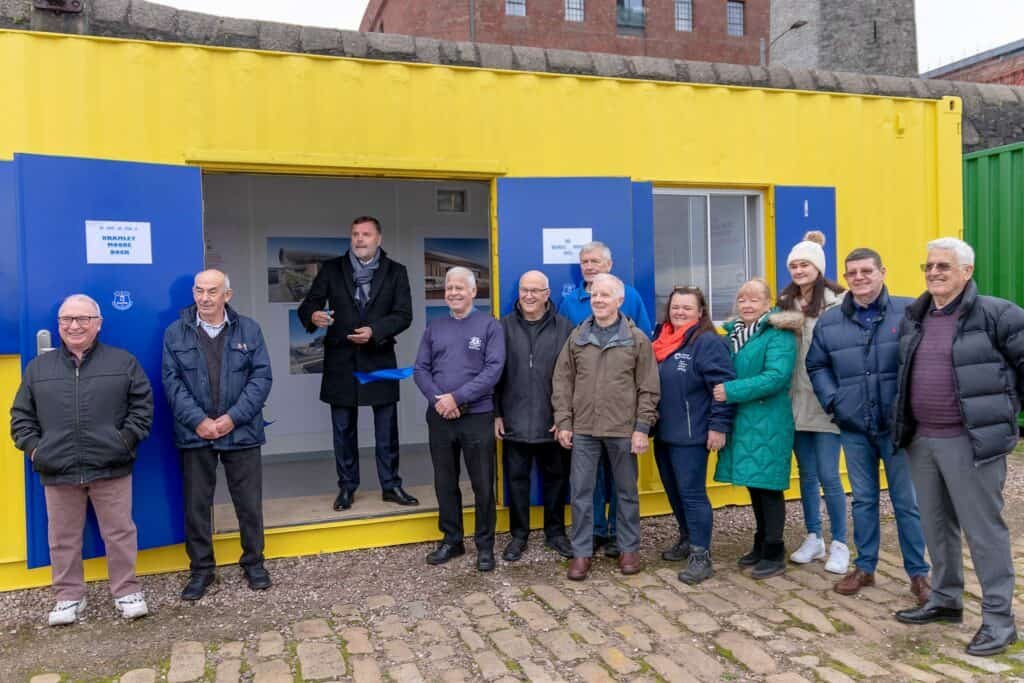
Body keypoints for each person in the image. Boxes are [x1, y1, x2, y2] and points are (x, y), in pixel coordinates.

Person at [890, 237, 1024, 657]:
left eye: (943, 267)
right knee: (935, 525)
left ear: (967, 271)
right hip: (922, 440)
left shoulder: (997, 314)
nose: (933, 273)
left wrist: (1008, 421)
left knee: (984, 533)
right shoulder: (917, 315)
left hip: (971, 444)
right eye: (928, 266)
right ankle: (946, 599)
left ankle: (1000, 621)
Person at [11, 294, 153, 625]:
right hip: (57, 468)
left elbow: (142, 407)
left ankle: (126, 590)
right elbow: (21, 416)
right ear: (59, 325)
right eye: (67, 320)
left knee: (119, 531)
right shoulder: (38, 368)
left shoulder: (122, 362)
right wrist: (37, 450)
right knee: (62, 537)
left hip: (111, 465)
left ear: (98, 323)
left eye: (83, 319)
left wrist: (124, 441)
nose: (74, 326)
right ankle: (68, 597)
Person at [806, 247, 931, 605]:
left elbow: (926, 360)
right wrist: (834, 401)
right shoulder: (831, 321)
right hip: (854, 425)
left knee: (907, 503)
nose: (859, 278)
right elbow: (817, 366)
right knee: (863, 500)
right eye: (852, 273)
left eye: (866, 271)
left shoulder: (909, 312)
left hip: (898, 428)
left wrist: (913, 405)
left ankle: (918, 573)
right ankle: (865, 566)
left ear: (882, 272)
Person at [163, 270, 273, 600]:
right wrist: (199, 421)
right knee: (196, 505)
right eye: (199, 291)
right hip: (195, 433)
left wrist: (231, 419)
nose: (204, 297)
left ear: (227, 295)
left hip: (241, 432)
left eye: (212, 291)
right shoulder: (176, 332)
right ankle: (201, 570)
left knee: (249, 504)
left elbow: (261, 379)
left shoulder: (249, 329)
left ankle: (254, 563)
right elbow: (172, 382)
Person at [298, 215, 416, 512]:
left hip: (379, 357)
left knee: (387, 428)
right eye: (355, 234)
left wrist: (375, 331)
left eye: (365, 234)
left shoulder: (396, 272)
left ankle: (391, 486)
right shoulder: (332, 269)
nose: (359, 239)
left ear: (379, 239)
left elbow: (404, 315)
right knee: (343, 429)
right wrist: (313, 316)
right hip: (341, 360)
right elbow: (309, 305)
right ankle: (347, 488)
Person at [552, 273, 660, 581]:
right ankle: (582, 552)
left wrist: (642, 427)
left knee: (626, 493)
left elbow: (648, 387)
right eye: (595, 295)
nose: (599, 300)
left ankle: (629, 548)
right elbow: (562, 381)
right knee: (582, 493)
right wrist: (564, 421)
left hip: (623, 429)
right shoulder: (577, 337)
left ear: (620, 300)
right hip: (584, 429)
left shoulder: (636, 339)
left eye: (606, 295)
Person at [414, 266, 505, 572]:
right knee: (445, 482)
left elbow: (493, 371)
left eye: (459, 288)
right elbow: (420, 370)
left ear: (473, 292)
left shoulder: (490, 326)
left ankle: (485, 546)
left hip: (477, 417)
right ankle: (452, 540)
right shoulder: (434, 327)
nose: (453, 293)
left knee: (482, 484)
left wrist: (458, 398)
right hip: (440, 416)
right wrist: (439, 400)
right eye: (449, 288)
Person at [712, 278, 799, 580]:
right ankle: (761, 543)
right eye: (742, 300)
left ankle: (774, 551)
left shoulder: (779, 334)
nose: (746, 305)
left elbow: (777, 376)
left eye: (753, 300)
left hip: (768, 418)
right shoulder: (736, 333)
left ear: (767, 303)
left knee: (769, 486)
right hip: (745, 418)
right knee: (754, 482)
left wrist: (731, 390)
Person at [776, 231, 849, 574]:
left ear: (818, 267)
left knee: (828, 474)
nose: (798, 270)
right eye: (793, 265)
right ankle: (814, 536)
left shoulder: (837, 302)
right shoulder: (785, 302)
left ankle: (840, 543)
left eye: (804, 264)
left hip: (825, 400)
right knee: (804, 474)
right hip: (794, 400)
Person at [651, 286, 735, 585]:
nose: (680, 312)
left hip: (693, 433)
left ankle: (702, 555)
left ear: (701, 312)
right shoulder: (659, 339)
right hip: (663, 432)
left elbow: (722, 386)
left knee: (692, 494)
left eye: (687, 307)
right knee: (674, 492)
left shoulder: (708, 342)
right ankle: (687, 538)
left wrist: (718, 425)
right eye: (675, 307)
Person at [495, 271, 574, 561]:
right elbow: (494, 376)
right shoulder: (502, 328)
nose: (529, 296)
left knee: (556, 479)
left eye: (535, 291)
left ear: (547, 293)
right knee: (516, 480)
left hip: (552, 421)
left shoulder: (565, 328)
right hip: (514, 421)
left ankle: (556, 533)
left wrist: (565, 416)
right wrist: (497, 413)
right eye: (524, 290)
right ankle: (519, 535)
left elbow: (574, 376)